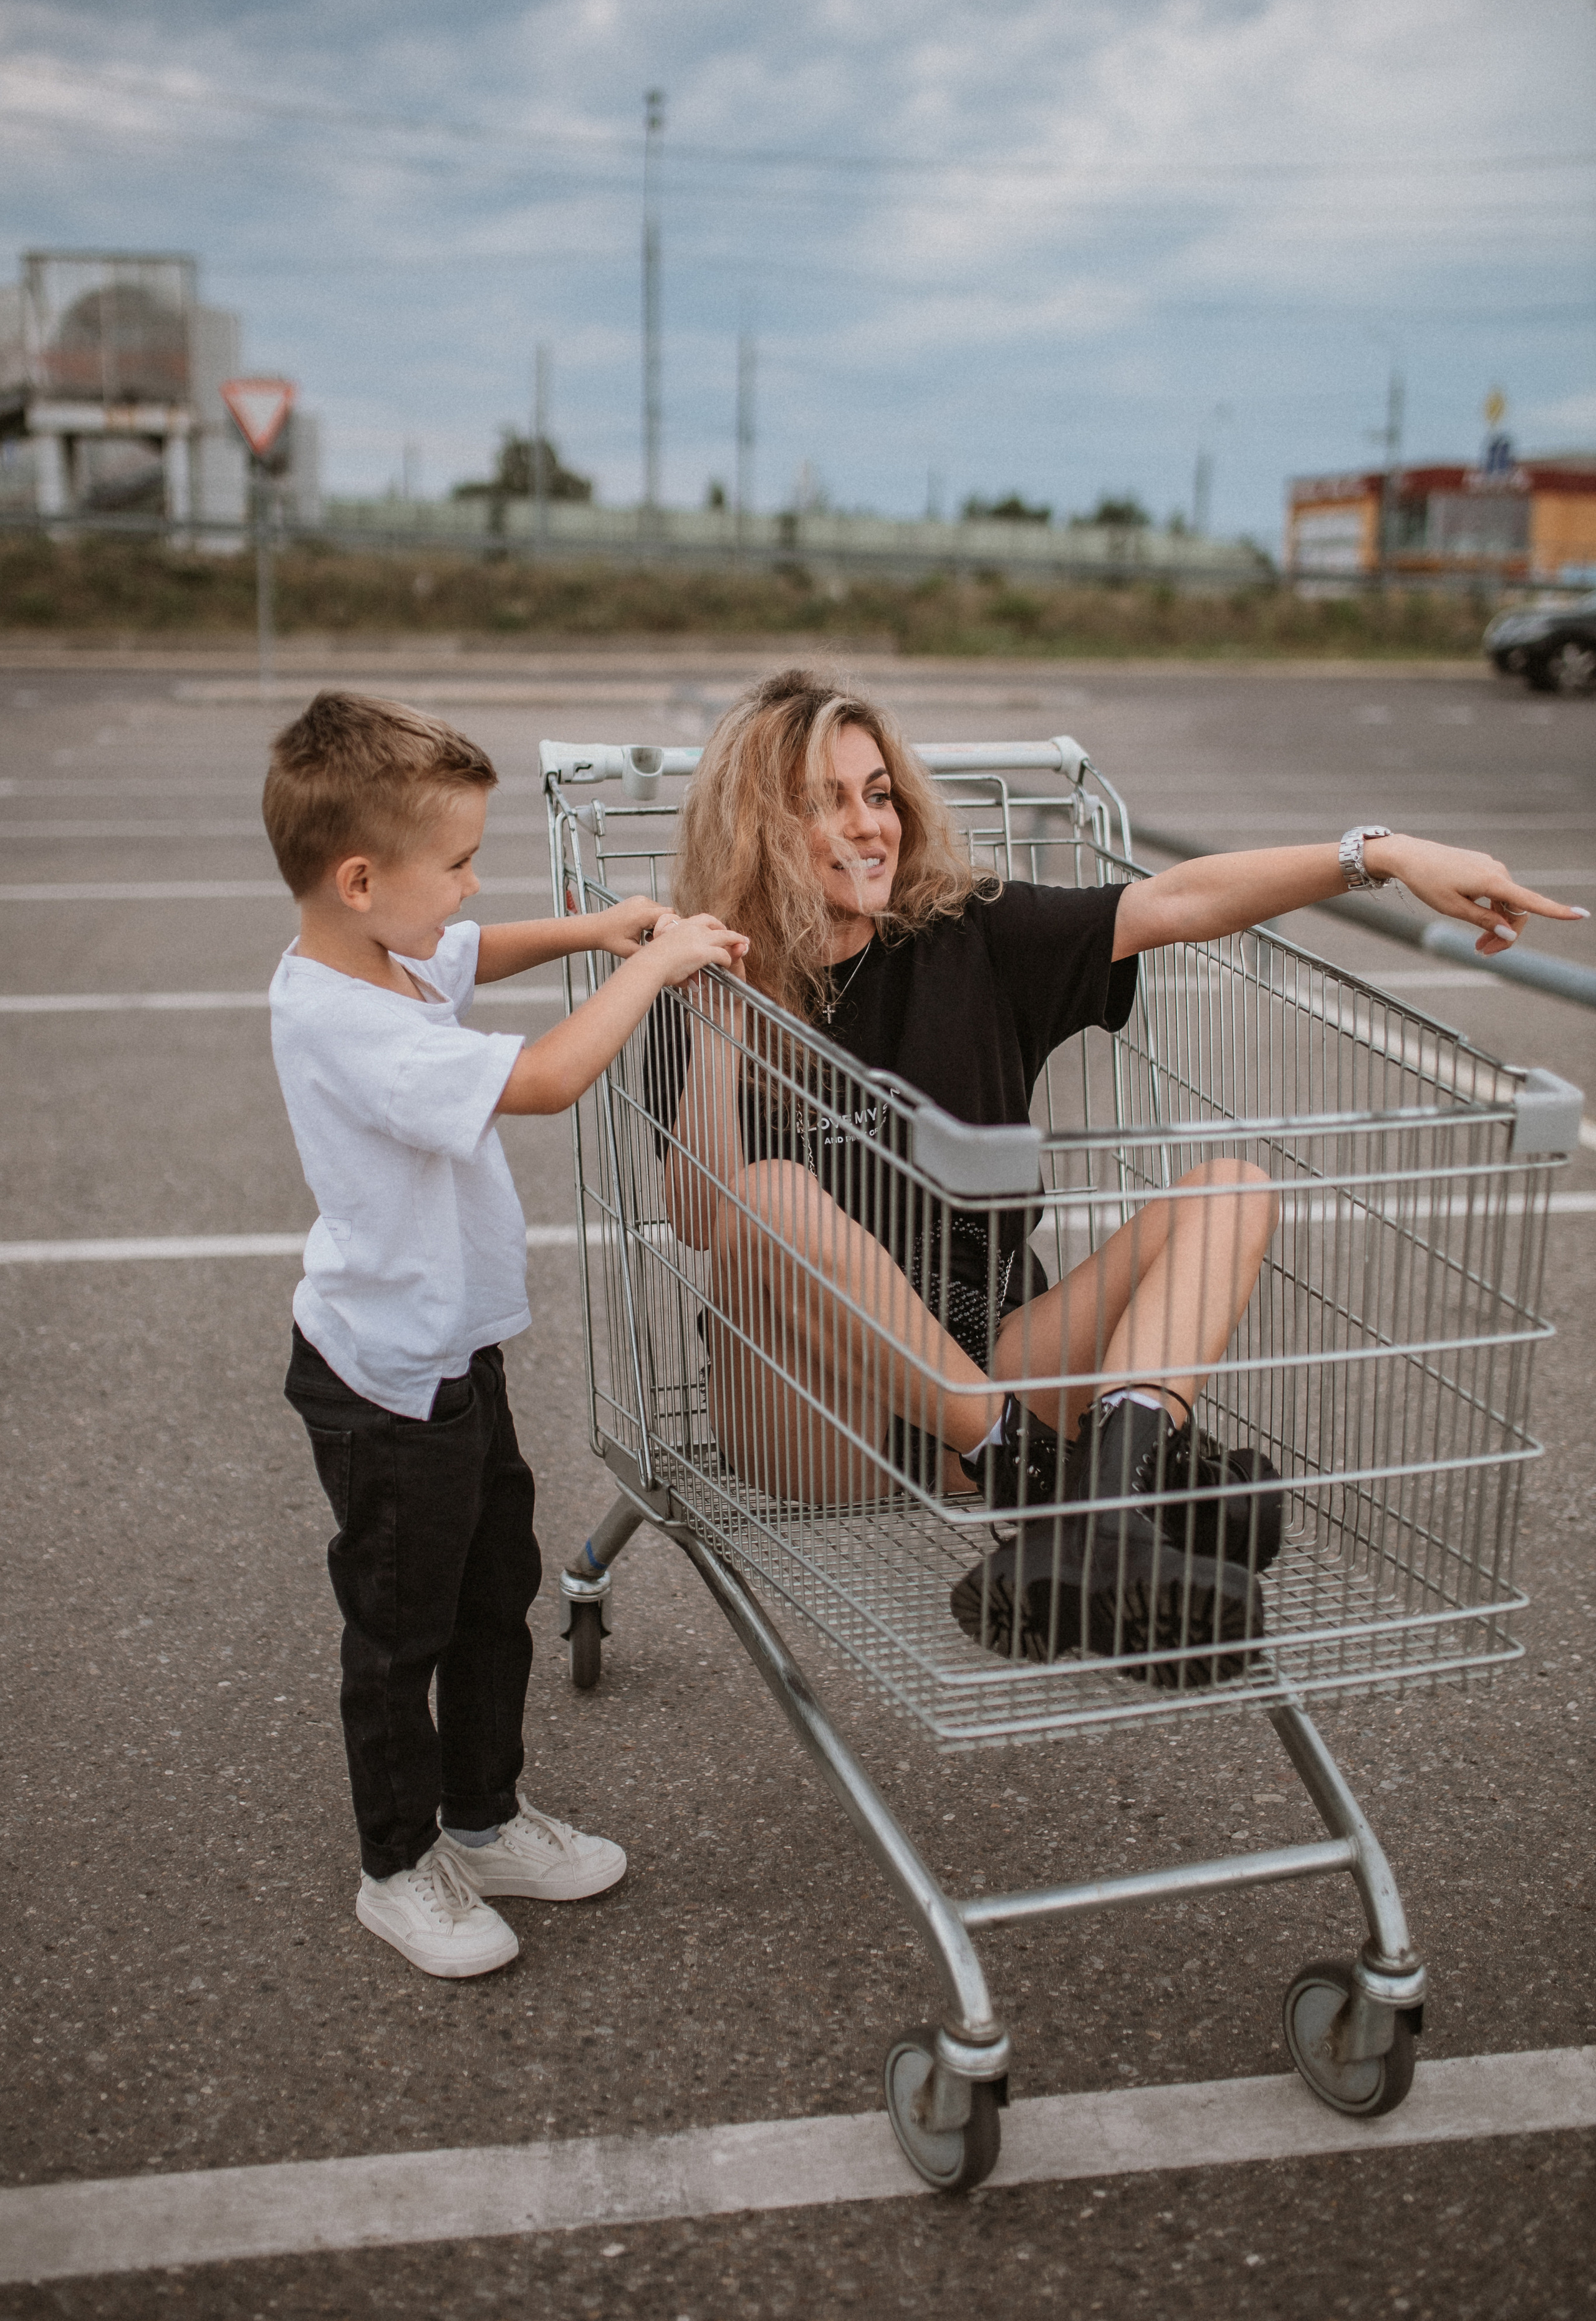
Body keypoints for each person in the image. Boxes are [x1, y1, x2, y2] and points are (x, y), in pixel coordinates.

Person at [648, 668, 1587, 1669]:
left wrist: (1380, 855)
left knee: (1231, 1192)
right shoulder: (704, 983)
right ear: (760, 826)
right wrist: (718, 1022)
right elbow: (703, 1220)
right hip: (815, 1415)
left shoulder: (970, 937)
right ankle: (1047, 1476)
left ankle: (1107, 1504)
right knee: (771, 1196)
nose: (869, 825)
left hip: (990, 1371)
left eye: (879, 794)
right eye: (827, 802)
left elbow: (1176, 901)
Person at [264, 691, 746, 1976]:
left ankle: (480, 1822)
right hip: (384, 1386)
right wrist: (648, 968)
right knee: (401, 1632)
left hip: (452, 1353)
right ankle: (396, 1866)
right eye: (459, 864)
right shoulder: (347, 1022)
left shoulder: (384, 952)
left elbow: (470, 954)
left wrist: (595, 927)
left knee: (494, 1596)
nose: (472, 889)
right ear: (360, 880)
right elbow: (541, 1080)